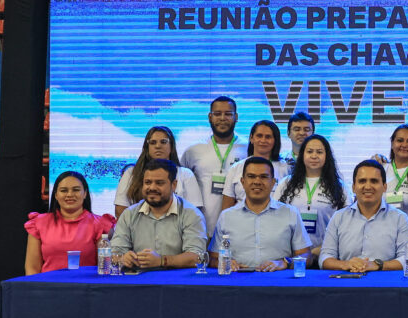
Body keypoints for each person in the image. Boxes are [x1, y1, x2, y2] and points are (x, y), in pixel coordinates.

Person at [209, 157, 310, 271]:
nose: (257, 182)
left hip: (277, 280)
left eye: (263, 177)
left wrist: (285, 262)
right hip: (237, 279)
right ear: (243, 182)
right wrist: (224, 263)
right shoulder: (226, 216)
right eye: (251, 176)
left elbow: (306, 256)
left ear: (273, 182)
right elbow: (213, 259)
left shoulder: (290, 213)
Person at [111, 159, 208, 271]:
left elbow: (197, 257)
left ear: (174, 185)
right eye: (148, 182)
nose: (152, 188)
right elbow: (113, 254)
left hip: (177, 279)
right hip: (138, 279)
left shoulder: (191, 214)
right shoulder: (129, 214)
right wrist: (123, 259)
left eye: (159, 183)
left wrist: (162, 261)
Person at [320, 159, 408, 273]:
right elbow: (325, 257)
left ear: (384, 187)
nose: (368, 187)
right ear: (353, 187)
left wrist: (377, 265)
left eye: (374, 181)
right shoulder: (338, 217)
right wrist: (345, 264)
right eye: (362, 181)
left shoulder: (400, 218)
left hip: (384, 282)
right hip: (346, 281)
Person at [274, 134, 347, 264]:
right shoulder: (285, 183)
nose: (314, 156)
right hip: (291, 257)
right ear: (302, 155)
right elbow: (275, 217)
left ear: (327, 156)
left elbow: (345, 224)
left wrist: (320, 250)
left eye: (319, 152)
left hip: (326, 256)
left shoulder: (339, 186)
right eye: (309, 151)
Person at [24, 171, 115, 274]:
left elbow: (104, 269)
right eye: (64, 190)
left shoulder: (100, 225)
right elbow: (32, 268)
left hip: (86, 284)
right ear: (56, 195)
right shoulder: (38, 223)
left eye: (76, 190)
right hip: (47, 284)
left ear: (85, 193)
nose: (70, 194)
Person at [181, 96, 248, 236]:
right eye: (217, 114)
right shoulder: (193, 150)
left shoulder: (247, 149)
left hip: (238, 230)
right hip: (200, 229)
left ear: (236, 117)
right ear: (210, 117)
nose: (222, 118)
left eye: (228, 114)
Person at [113, 126, 204, 217]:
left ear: (171, 146)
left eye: (163, 142)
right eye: (153, 142)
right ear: (147, 147)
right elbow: (120, 208)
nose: (158, 146)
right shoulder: (131, 173)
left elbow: (195, 213)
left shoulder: (185, 174)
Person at [221, 120, 291, 209]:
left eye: (268, 137)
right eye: (259, 136)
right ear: (251, 138)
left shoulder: (285, 168)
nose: (263, 140)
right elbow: (226, 208)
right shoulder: (236, 168)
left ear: (275, 140)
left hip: (276, 217)